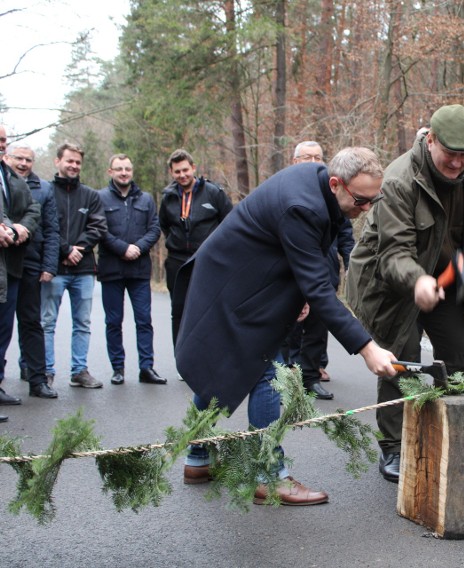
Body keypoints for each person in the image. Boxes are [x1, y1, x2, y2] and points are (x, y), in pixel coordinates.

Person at [174, 147, 397, 506]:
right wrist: (366, 347)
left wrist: (303, 294)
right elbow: (318, 285)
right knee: (269, 367)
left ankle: (198, 457)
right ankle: (267, 474)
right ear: (337, 183)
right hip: (232, 282)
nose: (366, 209)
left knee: (231, 369)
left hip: (252, 276)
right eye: (361, 200)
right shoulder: (302, 204)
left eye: (374, 199)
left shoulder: (325, 189)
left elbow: (315, 257)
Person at [346, 104, 464, 483]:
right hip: (391, 284)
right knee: (403, 362)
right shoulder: (398, 180)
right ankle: (395, 445)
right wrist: (416, 281)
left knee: (457, 353)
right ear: (430, 140)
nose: (457, 164)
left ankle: (451, 430)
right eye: (450, 155)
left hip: (440, 281)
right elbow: (393, 252)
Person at [280, 141, 351, 400]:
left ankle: (310, 377)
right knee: (289, 326)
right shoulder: (286, 190)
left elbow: (345, 232)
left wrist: (349, 258)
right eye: (307, 157)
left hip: (325, 271)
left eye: (318, 157)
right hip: (292, 274)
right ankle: (284, 374)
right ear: (294, 161)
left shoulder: (334, 194)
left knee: (318, 327)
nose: (313, 162)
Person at [42, 143, 107, 388]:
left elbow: (99, 227)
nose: (74, 165)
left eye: (78, 162)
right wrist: (65, 249)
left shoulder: (91, 195)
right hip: (54, 268)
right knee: (47, 322)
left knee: (83, 323)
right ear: (57, 161)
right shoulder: (46, 191)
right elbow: (44, 226)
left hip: (84, 270)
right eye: (69, 161)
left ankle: (79, 370)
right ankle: (45, 371)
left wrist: (77, 249)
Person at [98, 154, 164, 386]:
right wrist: (123, 248)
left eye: (127, 168)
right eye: (119, 169)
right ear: (110, 172)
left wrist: (137, 248)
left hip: (139, 270)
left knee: (144, 320)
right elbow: (100, 230)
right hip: (111, 270)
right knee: (114, 321)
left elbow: (155, 229)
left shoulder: (145, 199)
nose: (124, 172)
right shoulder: (100, 198)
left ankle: (146, 367)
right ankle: (118, 368)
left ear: (132, 171)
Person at [3, 142, 60, 399]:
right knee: (3, 325)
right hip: (5, 262)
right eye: (19, 158)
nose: (24, 163)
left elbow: (51, 229)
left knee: (32, 322)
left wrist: (49, 265)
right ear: (8, 157)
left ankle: (38, 380)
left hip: (32, 263)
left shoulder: (44, 188)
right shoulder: (5, 181)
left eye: (29, 159)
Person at [159, 149, 232, 345]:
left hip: (207, 260)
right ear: (172, 173)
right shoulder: (168, 197)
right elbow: (164, 225)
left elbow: (229, 222)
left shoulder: (213, 193)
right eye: (177, 172)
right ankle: (181, 359)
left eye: (185, 170)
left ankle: (209, 356)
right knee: (179, 311)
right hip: (177, 261)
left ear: (193, 168)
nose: (182, 175)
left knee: (209, 309)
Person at [0, 130, 43, 408]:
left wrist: (20, 227)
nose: (1, 144)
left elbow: (33, 208)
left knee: (4, 329)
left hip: (11, 265)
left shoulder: (11, 177)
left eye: (3, 140)